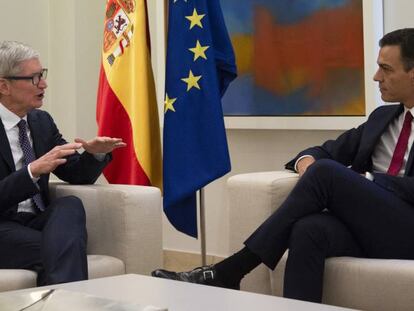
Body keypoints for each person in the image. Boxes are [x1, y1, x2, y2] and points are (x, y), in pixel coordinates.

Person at [152, 28, 414, 303]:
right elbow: (324, 151)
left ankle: (231, 270)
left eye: (386, 69)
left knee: (326, 172)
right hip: (373, 228)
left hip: (407, 229)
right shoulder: (383, 118)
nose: (376, 77)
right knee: (309, 229)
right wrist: (307, 162)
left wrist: (369, 180)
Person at [0, 41, 126, 286]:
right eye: (34, 78)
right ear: (4, 85)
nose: (44, 84)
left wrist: (95, 154)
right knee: (65, 247)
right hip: (2, 226)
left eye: (42, 75)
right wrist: (32, 171)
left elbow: (76, 174)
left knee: (69, 205)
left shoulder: (41, 121)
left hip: (35, 222)